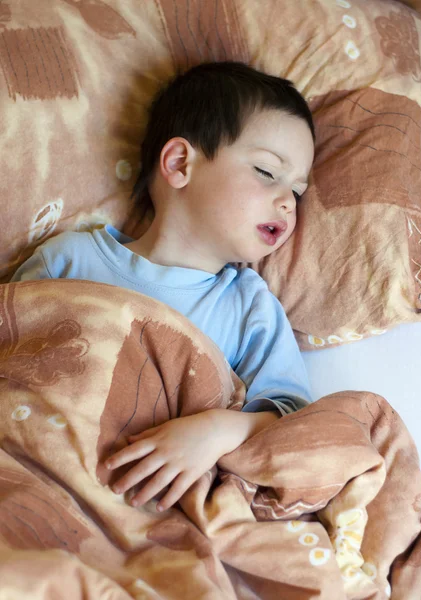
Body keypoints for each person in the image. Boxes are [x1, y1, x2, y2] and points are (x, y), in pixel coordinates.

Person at [12, 61, 315, 512]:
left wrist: (216, 431)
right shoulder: (71, 259)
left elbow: (294, 418)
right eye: (268, 173)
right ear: (179, 164)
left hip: (148, 506)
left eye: (298, 190)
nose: (288, 203)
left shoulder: (250, 307)